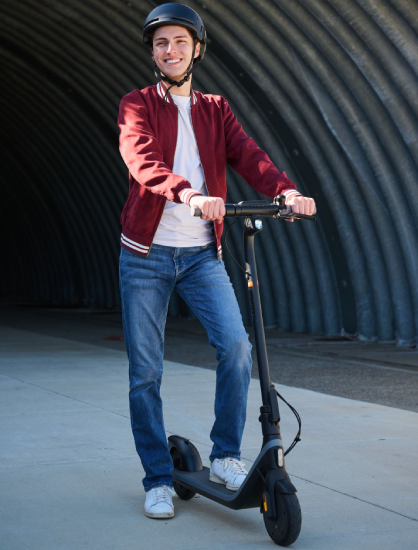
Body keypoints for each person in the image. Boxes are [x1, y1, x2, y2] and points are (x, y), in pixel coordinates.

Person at [117, 3, 315, 520]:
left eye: (180, 41)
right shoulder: (136, 104)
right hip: (147, 257)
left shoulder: (215, 109)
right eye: (161, 43)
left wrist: (287, 191)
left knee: (236, 348)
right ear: (153, 53)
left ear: (197, 48)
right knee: (146, 372)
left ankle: (226, 454)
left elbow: (250, 155)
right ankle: (158, 478)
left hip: (202, 256)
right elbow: (142, 161)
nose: (170, 50)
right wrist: (187, 194)